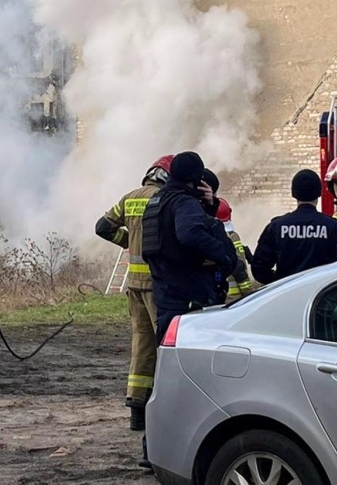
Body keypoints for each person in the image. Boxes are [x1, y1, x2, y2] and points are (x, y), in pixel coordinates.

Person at [94, 155, 173, 432]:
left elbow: (102, 227)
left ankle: (137, 411)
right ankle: (168, 405)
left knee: (141, 344)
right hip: (157, 284)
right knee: (167, 344)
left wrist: (129, 241)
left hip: (135, 286)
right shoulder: (165, 200)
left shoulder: (129, 198)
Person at [141, 151, 238, 343]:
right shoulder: (185, 202)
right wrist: (222, 254)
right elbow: (189, 234)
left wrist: (208, 207)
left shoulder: (156, 202)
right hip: (188, 296)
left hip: (164, 295)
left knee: (169, 354)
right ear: (196, 179)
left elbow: (170, 238)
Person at [251, 169, 337, 283]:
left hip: (287, 294)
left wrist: (279, 282)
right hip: (321, 294)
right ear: (319, 193)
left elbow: (259, 268)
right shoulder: (333, 227)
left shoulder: (276, 227)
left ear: (294, 193)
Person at [216, 199, 257, 302]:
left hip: (223, 299)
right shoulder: (232, 236)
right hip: (234, 300)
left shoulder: (204, 238)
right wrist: (249, 294)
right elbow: (239, 268)